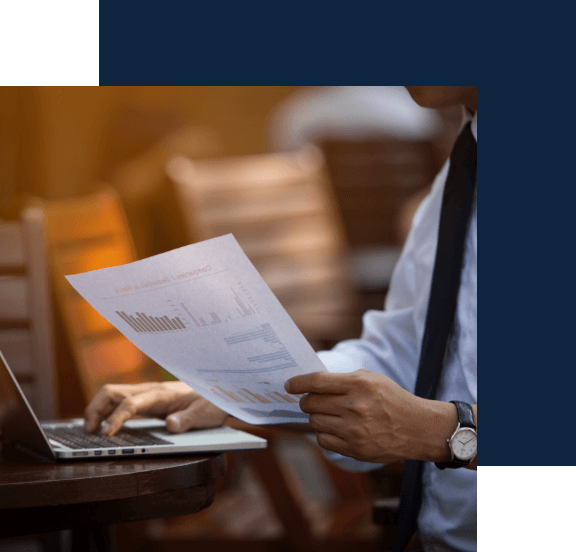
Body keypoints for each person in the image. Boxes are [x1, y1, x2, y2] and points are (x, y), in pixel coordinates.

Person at [84, 86, 477, 552]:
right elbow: (404, 352)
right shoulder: (459, 177)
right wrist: (237, 389)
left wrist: (444, 432)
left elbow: (428, 416)